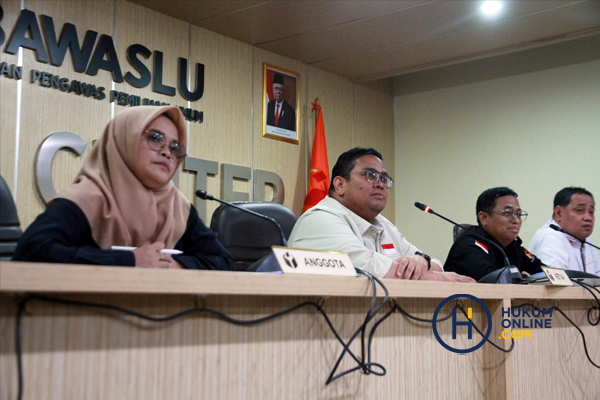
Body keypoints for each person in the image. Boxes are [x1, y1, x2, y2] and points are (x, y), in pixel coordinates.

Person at [13, 106, 234, 270]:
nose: (167, 152)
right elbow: (32, 252)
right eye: (156, 138)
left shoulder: (179, 207)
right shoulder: (88, 198)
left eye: (174, 147)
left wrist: (174, 265)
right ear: (122, 141)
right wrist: (130, 261)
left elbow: (222, 261)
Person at [289, 147, 474, 282]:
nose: (380, 184)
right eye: (370, 175)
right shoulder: (320, 219)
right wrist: (441, 280)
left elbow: (436, 265)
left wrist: (421, 261)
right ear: (339, 185)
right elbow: (369, 270)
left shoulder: (383, 225)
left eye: (384, 178)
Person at [444, 187, 543, 281]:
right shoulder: (468, 246)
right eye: (508, 213)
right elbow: (494, 281)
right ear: (484, 218)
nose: (516, 220)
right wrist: (526, 277)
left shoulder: (514, 247)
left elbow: (547, 273)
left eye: (518, 214)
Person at [529, 187, 599, 275]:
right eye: (580, 210)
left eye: (591, 212)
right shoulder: (550, 237)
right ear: (559, 213)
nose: (588, 218)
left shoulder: (585, 240)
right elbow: (557, 286)